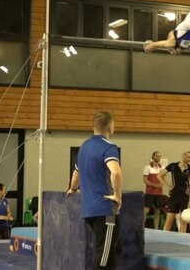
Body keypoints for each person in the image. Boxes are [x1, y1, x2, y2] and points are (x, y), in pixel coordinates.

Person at [67, 111, 123, 270]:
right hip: (104, 209)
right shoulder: (108, 147)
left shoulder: (84, 146)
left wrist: (72, 189)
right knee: (103, 259)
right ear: (109, 127)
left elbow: (76, 174)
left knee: (112, 250)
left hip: (88, 210)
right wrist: (117, 195)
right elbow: (116, 172)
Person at [157, 151, 190, 233]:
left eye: (189, 157)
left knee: (183, 221)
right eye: (185, 155)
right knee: (169, 221)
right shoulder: (173, 166)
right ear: (182, 155)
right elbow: (159, 175)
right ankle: (163, 239)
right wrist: (168, 185)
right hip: (174, 196)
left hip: (185, 197)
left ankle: (181, 240)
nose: (186, 157)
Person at [143, 150, 166, 229]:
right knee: (146, 210)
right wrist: (155, 185)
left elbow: (164, 179)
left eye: (160, 156)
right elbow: (145, 180)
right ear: (152, 157)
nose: (158, 157)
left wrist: (163, 184)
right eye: (157, 156)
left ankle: (156, 228)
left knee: (158, 211)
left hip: (159, 193)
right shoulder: (147, 167)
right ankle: (142, 227)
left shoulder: (162, 168)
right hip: (150, 193)